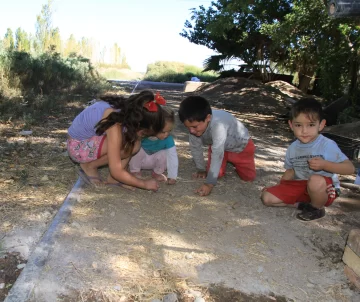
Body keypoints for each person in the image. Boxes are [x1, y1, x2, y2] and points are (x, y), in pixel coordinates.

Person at [261, 98, 355, 221]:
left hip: (325, 189)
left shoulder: (327, 145)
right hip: (301, 185)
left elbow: (350, 169)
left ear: (321, 125)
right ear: (291, 125)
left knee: (315, 180)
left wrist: (325, 165)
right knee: (267, 198)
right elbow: (291, 171)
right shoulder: (292, 148)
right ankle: (304, 205)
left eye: (311, 125)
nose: (304, 131)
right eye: (298, 125)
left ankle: (317, 208)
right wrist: (279, 188)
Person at [67, 90, 166, 191]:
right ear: (138, 123)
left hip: (86, 142)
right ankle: (89, 166)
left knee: (133, 142)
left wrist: (126, 177)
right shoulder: (114, 121)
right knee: (130, 144)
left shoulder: (126, 110)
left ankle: (113, 180)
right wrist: (143, 184)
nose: (143, 136)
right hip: (77, 148)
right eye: (144, 133)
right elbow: (116, 170)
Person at [178, 95, 256, 197]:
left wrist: (209, 184)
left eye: (194, 127)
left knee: (248, 177)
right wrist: (201, 169)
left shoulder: (218, 125)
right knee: (216, 174)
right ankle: (224, 164)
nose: (191, 131)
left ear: (208, 118)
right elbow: (195, 147)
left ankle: (235, 164)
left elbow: (217, 153)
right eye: (188, 127)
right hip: (218, 146)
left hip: (241, 147)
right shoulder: (194, 128)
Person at [129, 107, 178, 185]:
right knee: (137, 149)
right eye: (163, 132)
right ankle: (135, 171)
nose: (166, 134)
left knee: (165, 153)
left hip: (154, 162)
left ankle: (157, 172)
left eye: (169, 131)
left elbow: (173, 156)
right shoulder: (143, 135)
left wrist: (172, 176)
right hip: (141, 161)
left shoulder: (168, 139)